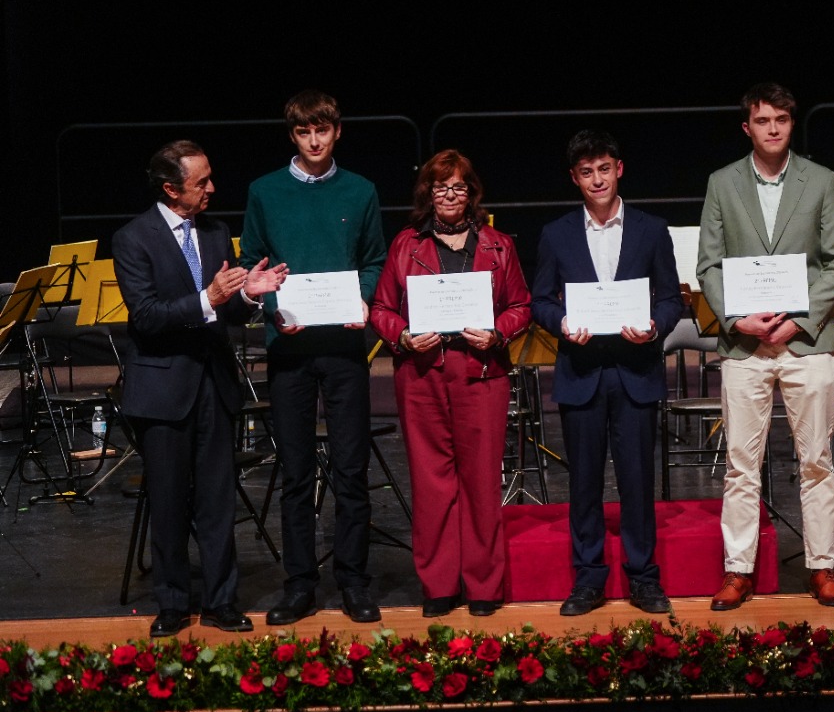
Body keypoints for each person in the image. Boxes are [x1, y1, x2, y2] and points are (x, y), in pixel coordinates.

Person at [112, 140, 287, 637]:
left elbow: (224, 310)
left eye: (210, 177)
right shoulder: (133, 238)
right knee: (168, 501)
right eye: (201, 182)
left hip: (213, 385)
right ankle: (171, 603)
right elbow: (146, 319)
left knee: (217, 501)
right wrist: (207, 297)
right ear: (171, 189)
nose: (212, 188)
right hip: (163, 389)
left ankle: (220, 600)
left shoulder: (214, 232)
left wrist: (247, 295)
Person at [696, 82, 834, 609]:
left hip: (804, 342)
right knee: (741, 463)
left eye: (781, 120)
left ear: (791, 124)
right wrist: (739, 319)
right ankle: (738, 569)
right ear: (748, 127)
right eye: (762, 121)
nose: (772, 129)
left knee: (816, 460)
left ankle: (822, 567)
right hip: (745, 345)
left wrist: (801, 320)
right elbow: (709, 266)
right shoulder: (722, 183)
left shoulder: (821, 180)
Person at [241, 89, 388, 624]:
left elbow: (374, 259)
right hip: (290, 347)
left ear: (337, 131)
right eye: (304, 132)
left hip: (345, 346)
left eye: (322, 130)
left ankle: (352, 580)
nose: (315, 140)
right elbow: (252, 265)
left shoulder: (360, 191)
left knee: (351, 468)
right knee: (297, 470)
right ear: (293, 136)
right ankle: (300, 583)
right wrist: (274, 308)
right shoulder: (264, 191)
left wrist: (365, 300)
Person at [370, 149, 531, 618]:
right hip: (421, 375)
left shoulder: (499, 245)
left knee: (481, 481)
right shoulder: (405, 245)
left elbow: (521, 305)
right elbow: (381, 309)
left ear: (472, 193)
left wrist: (500, 331)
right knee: (431, 483)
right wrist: (401, 335)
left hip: (481, 373)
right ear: (427, 193)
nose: (449, 195)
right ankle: (438, 584)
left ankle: (482, 585)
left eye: (458, 187)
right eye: (440, 187)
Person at [530, 130, 683, 617]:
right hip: (582, 370)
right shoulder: (556, 234)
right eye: (586, 172)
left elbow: (670, 298)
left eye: (604, 169)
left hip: (635, 370)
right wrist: (562, 322)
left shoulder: (651, 228)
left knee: (638, 481)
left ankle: (643, 578)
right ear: (574, 178)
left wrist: (656, 325)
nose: (596, 179)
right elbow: (539, 301)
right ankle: (589, 578)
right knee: (584, 484)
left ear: (619, 168)